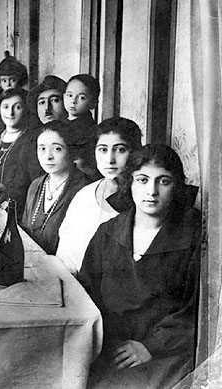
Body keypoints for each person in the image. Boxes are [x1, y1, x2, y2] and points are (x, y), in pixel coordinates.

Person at [79, 144, 200, 388]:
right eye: (143, 180)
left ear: (177, 187)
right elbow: (86, 292)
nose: (151, 191)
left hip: (166, 353)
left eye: (163, 181)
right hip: (110, 347)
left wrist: (150, 347)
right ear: (129, 183)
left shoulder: (193, 237)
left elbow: (197, 309)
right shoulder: (108, 233)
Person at [57, 118, 142, 275]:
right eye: (103, 149)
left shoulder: (142, 202)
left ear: (135, 153)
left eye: (120, 150)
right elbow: (64, 252)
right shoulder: (84, 195)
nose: (110, 159)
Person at [21, 121, 90, 254]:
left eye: (57, 149)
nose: (48, 156)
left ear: (71, 150)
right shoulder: (35, 185)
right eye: (42, 148)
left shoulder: (84, 190)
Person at [0, 88, 43, 217]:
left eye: (17, 107)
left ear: (26, 110)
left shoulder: (31, 142)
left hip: (17, 213)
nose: (10, 113)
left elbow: (36, 185)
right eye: (5, 107)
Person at [64, 73, 100, 180]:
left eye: (82, 97)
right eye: (70, 95)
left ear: (93, 104)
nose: (73, 101)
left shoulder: (93, 131)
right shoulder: (59, 125)